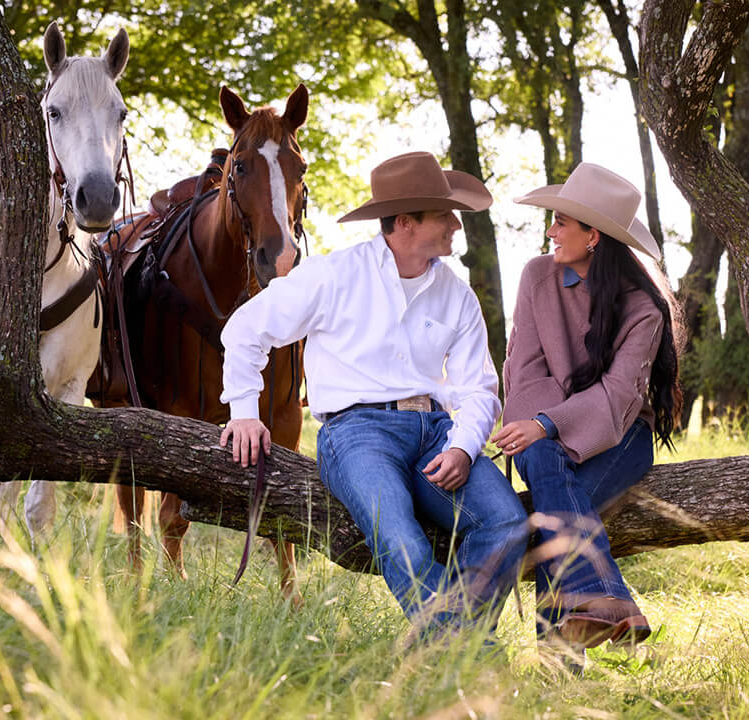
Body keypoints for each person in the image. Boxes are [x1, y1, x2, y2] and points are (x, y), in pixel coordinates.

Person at [219, 151, 530, 642]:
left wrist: (463, 447)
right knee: (401, 539)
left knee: (507, 524)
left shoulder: (458, 295)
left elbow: (479, 388)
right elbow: (245, 330)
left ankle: (456, 648)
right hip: (356, 433)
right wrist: (243, 411)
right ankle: (471, 654)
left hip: (437, 433)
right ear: (405, 222)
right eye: (444, 215)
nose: (456, 225)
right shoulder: (334, 274)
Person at [487, 162, 685, 649]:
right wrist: (543, 426)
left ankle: (561, 668)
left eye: (560, 222)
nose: (550, 232)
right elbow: (523, 369)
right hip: (540, 434)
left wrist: (548, 424)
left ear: (593, 236)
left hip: (621, 438)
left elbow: (618, 397)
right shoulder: (537, 276)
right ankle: (609, 604)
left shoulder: (643, 309)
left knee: (553, 520)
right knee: (543, 464)